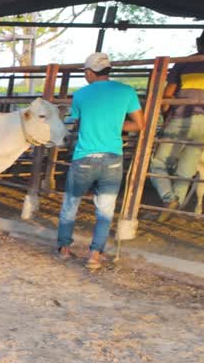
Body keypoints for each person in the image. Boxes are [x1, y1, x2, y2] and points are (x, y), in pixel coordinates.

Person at [56, 52, 145, 270]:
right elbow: (139, 125)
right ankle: (94, 255)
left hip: (84, 158)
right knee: (105, 210)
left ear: (89, 72)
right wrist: (115, 125)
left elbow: (72, 123)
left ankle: (64, 249)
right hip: (113, 159)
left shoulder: (81, 95)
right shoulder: (126, 91)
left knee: (71, 204)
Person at [149, 26, 204, 221]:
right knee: (187, 168)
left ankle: (169, 198)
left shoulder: (184, 63)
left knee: (158, 162)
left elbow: (168, 95)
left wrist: (166, 118)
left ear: (198, 41)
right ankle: (174, 206)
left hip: (180, 118)